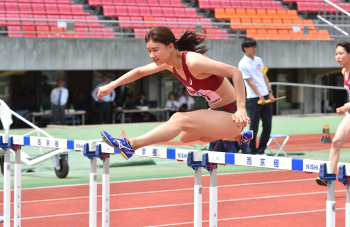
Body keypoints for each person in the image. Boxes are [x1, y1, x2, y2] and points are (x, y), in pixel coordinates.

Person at [97, 26, 252, 160]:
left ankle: (131, 144)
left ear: (170, 47)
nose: (152, 56)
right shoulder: (170, 65)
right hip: (217, 114)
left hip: (233, 115)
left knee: (178, 118)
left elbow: (235, 72)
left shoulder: (194, 62)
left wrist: (241, 109)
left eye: (155, 50)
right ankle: (239, 137)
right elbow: (140, 72)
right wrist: (112, 85)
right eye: (149, 51)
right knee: (185, 136)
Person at [317, 40, 350, 186]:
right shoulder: (344, 71)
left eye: (341, 54)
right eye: (336, 54)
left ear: (349, 55)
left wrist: (346, 106)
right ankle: (328, 175)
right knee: (336, 142)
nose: (337, 56)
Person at [238, 38, 275, 155]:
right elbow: (250, 82)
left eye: (255, 47)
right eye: (252, 47)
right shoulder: (242, 63)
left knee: (268, 125)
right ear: (245, 48)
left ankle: (261, 150)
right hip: (254, 98)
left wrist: (270, 92)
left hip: (265, 95)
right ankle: (253, 150)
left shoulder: (259, 60)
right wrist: (260, 96)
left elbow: (265, 76)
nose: (254, 49)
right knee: (254, 126)